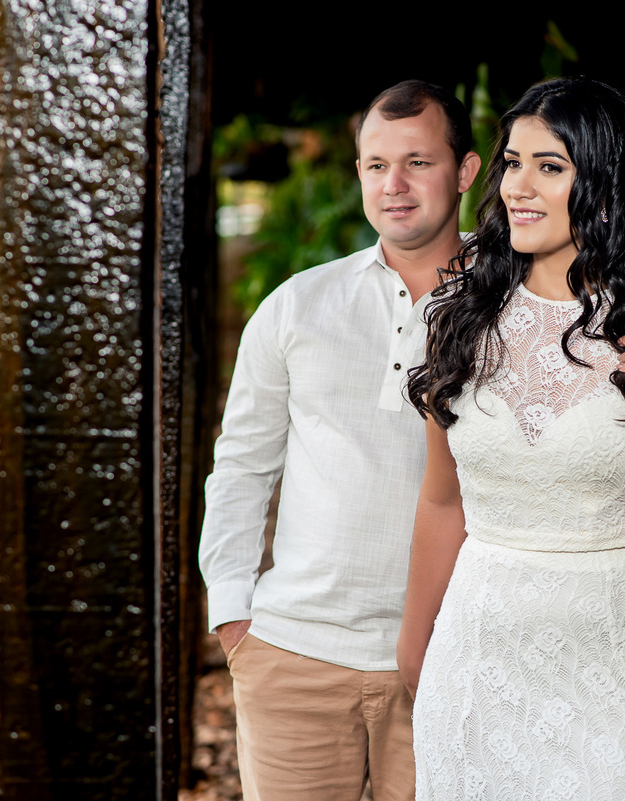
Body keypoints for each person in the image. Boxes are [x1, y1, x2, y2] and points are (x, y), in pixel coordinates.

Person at [397, 77, 625, 799]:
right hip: (476, 668)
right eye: (512, 162)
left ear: (602, 184)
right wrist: (415, 651)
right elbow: (443, 504)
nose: (518, 186)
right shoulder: (457, 319)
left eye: (550, 166)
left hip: (621, 678)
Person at [199, 80, 481, 801]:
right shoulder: (298, 304)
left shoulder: (513, 309)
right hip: (295, 657)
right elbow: (240, 465)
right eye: (374, 165)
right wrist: (234, 614)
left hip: (456, 658)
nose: (394, 185)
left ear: (467, 170)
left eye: (418, 161)